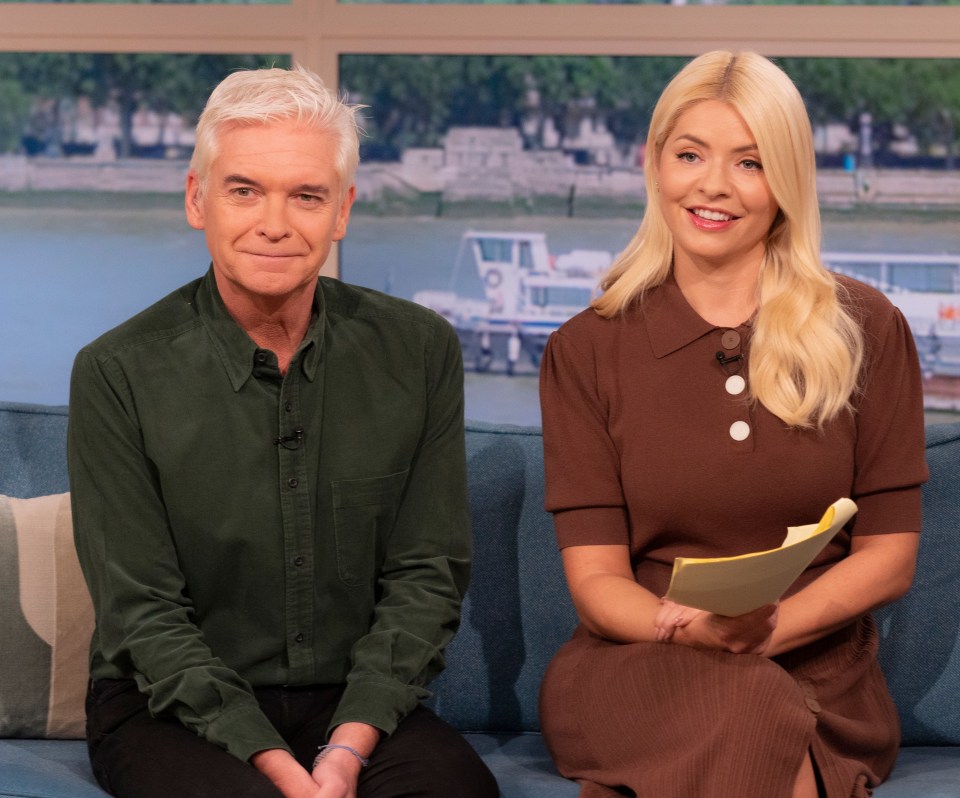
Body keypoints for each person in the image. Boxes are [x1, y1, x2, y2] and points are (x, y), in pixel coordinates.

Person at [68, 66, 498, 798]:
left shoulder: (420, 351)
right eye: (244, 190)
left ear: (342, 211)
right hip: (168, 707)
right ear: (197, 199)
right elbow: (142, 613)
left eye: (306, 195)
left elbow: (428, 574)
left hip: (354, 707)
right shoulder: (117, 371)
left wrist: (347, 748)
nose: (275, 223)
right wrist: (277, 769)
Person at [538, 51, 928, 798]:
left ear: (785, 182)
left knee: (758, 706)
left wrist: (765, 633)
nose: (713, 185)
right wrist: (691, 631)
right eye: (690, 154)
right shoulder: (585, 349)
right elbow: (595, 583)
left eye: (749, 163)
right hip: (636, 659)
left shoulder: (868, 329)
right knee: (750, 712)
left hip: (815, 666)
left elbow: (890, 556)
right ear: (655, 164)